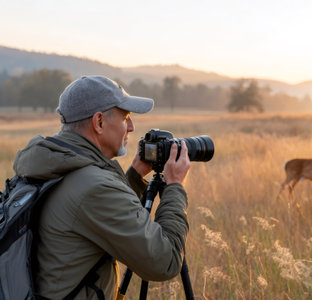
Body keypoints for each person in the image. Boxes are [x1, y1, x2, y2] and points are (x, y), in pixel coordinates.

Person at [12, 75, 191, 299]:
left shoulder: (56, 164)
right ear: (99, 122)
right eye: (126, 117)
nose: (132, 127)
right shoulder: (94, 187)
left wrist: (135, 176)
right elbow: (166, 261)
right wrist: (174, 187)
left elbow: (93, 212)